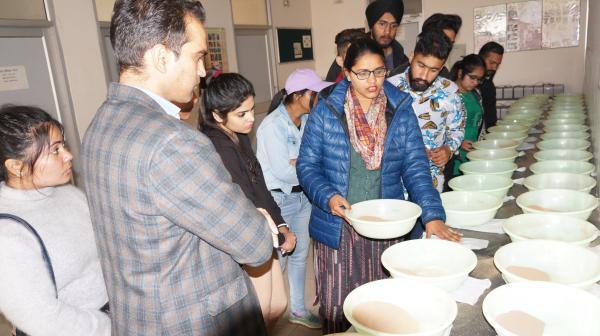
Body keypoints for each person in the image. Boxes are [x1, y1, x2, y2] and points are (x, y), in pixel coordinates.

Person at [82, 1, 275, 335]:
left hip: (139, 319)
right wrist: (259, 218)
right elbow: (255, 246)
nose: (202, 72)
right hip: (190, 321)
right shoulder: (172, 142)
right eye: (197, 57)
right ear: (161, 57)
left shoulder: (100, 124)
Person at [297, 38, 458, 334]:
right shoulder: (326, 109)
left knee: (383, 307)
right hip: (338, 226)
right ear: (346, 72)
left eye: (379, 72)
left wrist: (432, 214)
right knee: (339, 307)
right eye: (363, 73)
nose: (373, 81)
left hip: (386, 224)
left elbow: (415, 167)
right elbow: (307, 166)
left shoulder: (399, 108)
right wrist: (329, 196)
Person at [0, 105, 110, 335]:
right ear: (16, 166)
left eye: (64, 145)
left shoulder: (68, 194)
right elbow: (42, 320)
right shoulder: (7, 232)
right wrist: (113, 327)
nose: (68, 155)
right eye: (55, 150)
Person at [200, 73, 297, 332]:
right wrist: (274, 227)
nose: (252, 119)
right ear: (218, 116)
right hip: (249, 234)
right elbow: (246, 198)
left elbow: (260, 187)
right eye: (242, 114)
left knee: (278, 304)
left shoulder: (238, 135)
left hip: (266, 229)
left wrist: (282, 224)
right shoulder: (217, 145)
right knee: (259, 313)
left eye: (252, 110)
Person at [256, 69, 331, 329]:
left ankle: (297, 310)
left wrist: (302, 163)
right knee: (280, 259)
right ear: (299, 95)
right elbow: (283, 173)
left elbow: (315, 158)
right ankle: (266, 315)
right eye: (315, 93)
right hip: (280, 201)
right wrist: (307, 165)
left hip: (303, 198)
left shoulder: (307, 120)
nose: (320, 98)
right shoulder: (272, 126)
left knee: (299, 254)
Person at [388, 30, 465, 196]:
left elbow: (457, 130)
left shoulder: (450, 93)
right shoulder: (389, 88)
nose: (424, 76)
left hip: (431, 182)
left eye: (433, 70)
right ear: (411, 57)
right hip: (393, 181)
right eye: (420, 65)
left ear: (442, 68)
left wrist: (448, 149)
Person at [325, 0, 409, 82]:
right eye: (382, 24)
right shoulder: (352, 51)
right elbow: (328, 90)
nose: (387, 31)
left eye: (393, 26)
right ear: (371, 26)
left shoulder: (403, 61)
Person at [449, 54, 486, 177]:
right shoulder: (448, 94)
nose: (475, 82)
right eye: (472, 77)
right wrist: (459, 143)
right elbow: (439, 127)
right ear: (460, 73)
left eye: (479, 79)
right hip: (454, 155)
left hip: (474, 151)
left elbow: (480, 124)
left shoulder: (476, 94)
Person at [419, 13, 462, 79]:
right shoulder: (401, 74)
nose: (447, 47)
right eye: (443, 41)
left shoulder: (445, 75)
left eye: (450, 43)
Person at [478, 41, 505, 130]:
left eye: (497, 64)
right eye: (492, 63)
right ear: (481, 58)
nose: (494, 68)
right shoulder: (470, 82)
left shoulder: (488, 80)